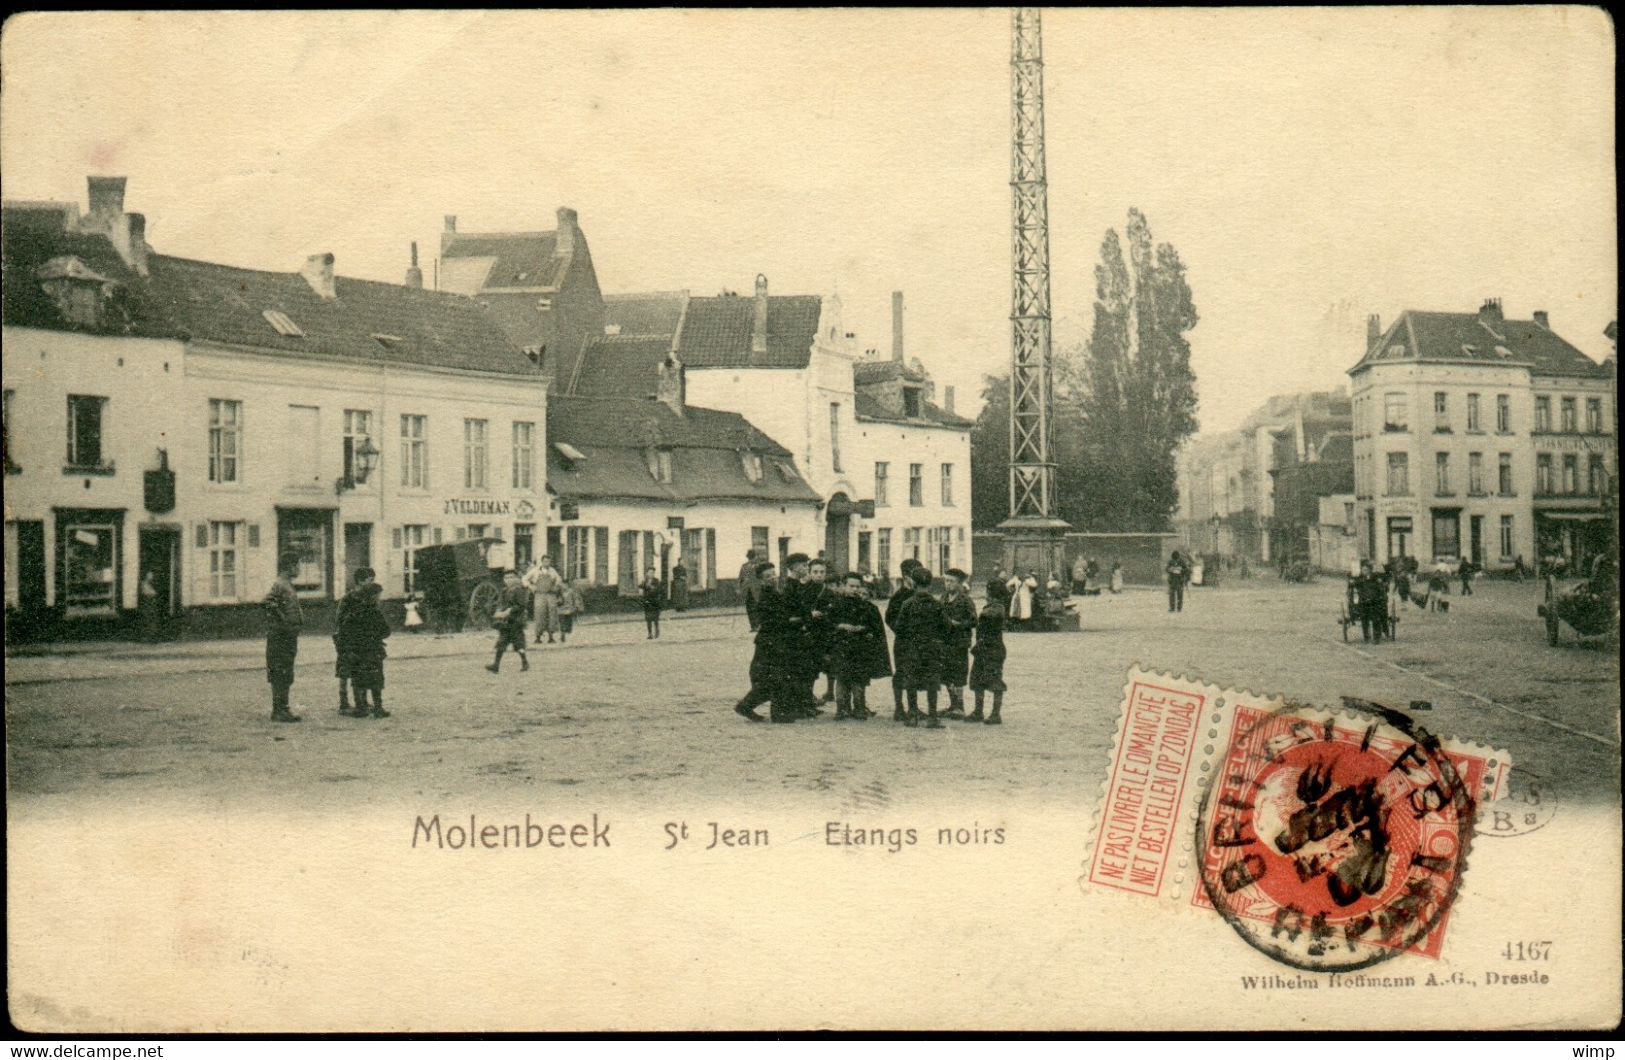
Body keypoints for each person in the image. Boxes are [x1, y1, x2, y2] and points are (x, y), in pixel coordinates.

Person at [734, 561, 796, 723]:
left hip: (772, 641)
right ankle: (778, 713)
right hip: (771, 643)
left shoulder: (774, 593)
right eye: (767, 576)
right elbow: (775, 621)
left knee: (771, 678)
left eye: (773, 574)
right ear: (761, 580)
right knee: (777, 676)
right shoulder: (767, 597)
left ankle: (747, 706)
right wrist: (791, 620)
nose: (772, 578)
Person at [829, 571, 890, 720]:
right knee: (842, 679)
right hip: (841, 647)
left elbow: (874, 627)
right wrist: (840, 626)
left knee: (859, 679)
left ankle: (859, 707)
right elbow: (827, 625)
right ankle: (842, 708)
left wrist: (863, 628)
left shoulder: (866, 607)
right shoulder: (835, 605)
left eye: (857, 586)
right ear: (843, 586)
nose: (854, 589)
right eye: (851, 586)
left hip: (859, 648)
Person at [892, 566, 947, 728]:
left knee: (911, 681)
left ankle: (913, 715)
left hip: (912, 648)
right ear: (930, 584)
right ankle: (932, 717)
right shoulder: (937, 605)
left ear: (914, 584)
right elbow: (946, 627)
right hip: (932, 648)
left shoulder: (907, 604)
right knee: (932, 681)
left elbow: (899, 627)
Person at [336, 567, 391, 717]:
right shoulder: (349, 599)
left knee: (361, 673)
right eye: (370, 580)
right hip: (351, 642)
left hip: (360, 644)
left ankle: (362, 704)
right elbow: (340, 621)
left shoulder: (369, 599)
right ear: (361, 581)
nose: (372, 583)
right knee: (347, 671)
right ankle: (344, 702)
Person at [263, 551, 304, 723]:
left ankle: (283, 708)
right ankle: (279, 710)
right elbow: (268, 602)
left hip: (287, 635)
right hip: (281, 636)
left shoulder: (287, 584)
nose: (299, 569)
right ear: (290, 566)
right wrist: (284, 620)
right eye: (298, 565)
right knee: (281, 672)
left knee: (285, 672)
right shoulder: (281, 585)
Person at [884, 558, 924, 720]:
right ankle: (899, 708)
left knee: (914, 673)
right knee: (902, 673)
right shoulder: (898, 597)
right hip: (903, 641)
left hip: (918, 641)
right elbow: (889, 618)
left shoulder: (918, 594)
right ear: (906, 576)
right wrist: (901, 631)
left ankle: (913, 707)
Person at [968, 578, 1009, 724]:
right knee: (977, 679)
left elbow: (986, 623)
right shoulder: (996, 607)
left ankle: (995, 714)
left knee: (994, 681)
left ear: (990, 593)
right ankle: (979, 711)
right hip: (986, 648)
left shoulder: (993, 609)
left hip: (991, 649)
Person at [938, 568, 977, 717]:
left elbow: (974, 621)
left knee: (958, 675)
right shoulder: (943, 598)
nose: (948, 584)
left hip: (959, 642)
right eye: (946, 581)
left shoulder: (966, 600)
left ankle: (960, 707)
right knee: (946, 673)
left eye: (951, 581)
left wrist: (958, 624)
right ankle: (953, 704)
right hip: (945, 641)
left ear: (960, 583)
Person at [485, 570, 531, 673]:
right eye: (506, 578)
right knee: (501, 643)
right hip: (506, 622)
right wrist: (499, 612)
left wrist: (509, 611)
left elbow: (521, 605)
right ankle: (496, 665)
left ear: (515, 578)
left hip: (516, 621)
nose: (507, 580)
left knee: (519, 644)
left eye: (510, 577)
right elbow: (501, 603)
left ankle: (525, 662)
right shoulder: (505, 590)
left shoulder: (519, 590)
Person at [524, 555, 564, 644]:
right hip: (539, 595)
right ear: (542, 562)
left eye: (548, 561)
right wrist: (530, 586)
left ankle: (551, 637)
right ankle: (538, 637)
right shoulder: (535, 571)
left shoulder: (552, 570)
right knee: (539, 614)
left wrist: (556, 586)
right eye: (545, 561)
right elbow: (524, 579)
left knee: (552, 615)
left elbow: (559, 580)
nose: (547, 563)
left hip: (550, 595)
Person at [1347, 560, 1388, 644]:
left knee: (1376, 620)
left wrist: (1381, 584)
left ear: (1370, 570)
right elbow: (1352, 583)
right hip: (1363, 603)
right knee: (1364, 620)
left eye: (1365, 570)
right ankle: (1366, 637)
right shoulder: (1360, 579)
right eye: (1362, 570)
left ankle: (1376, 638)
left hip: (1374, 602)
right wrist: (1351, 582)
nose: (1363, 571)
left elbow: (1382, 586)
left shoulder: (1376, 578)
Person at [738, 550, 763, 631]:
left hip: (757, 590)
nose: (757, 558)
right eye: (756, 556)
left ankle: (758, 625)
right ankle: (753, 626)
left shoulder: (759, 566)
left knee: (758, 608)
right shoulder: (744, 566)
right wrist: (740, 588)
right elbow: (741, 578)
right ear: (753, 557)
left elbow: (762, 578)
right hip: (747, 591)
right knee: (749, 609)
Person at [640, 567, 664, 639]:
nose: (651, 574)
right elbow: (641, 588)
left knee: (655, 618)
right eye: (650, 572)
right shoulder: (645, 581)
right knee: (648, 619)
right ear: (647, 573)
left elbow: (658, 590)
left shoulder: (656, 581)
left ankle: (657, 631)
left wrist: (651, 587)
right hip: (647, 602)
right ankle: (650, 633)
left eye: (653, 573)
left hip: (655, 602)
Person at [138, 570, 162, 642]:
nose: (151, 577)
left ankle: (152, 636)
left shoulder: (151, 585)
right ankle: (147, 637)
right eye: (150, 576)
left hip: (151, 606)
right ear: (146, 576)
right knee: (147, 620)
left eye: (152, 576)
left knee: (152, 620)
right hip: (147, 605)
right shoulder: (143, 584)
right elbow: (146, 594)